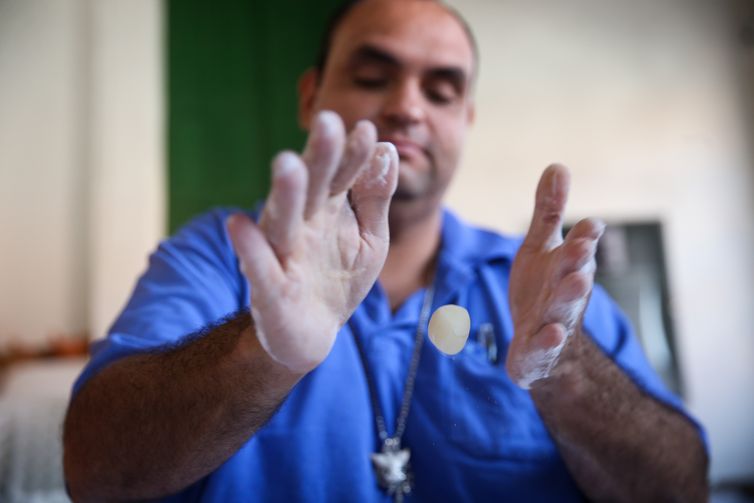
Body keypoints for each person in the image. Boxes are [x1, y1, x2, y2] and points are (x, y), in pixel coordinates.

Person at [63, 0, 708, 501]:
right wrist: (261, 352)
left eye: (442, 90)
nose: (407, 107)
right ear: (310, 95)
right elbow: (93, 472)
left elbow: (683, 488)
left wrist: (567, 373)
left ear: (467, 120)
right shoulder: (217, 256)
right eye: (374, 76)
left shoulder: (541, 287)